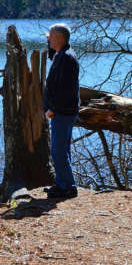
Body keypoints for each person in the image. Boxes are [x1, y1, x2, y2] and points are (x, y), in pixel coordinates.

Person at [43, 23, 80, 199]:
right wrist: (48, 44)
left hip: (63, 112)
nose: (48, 38)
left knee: (58, 150)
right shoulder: (62, 54)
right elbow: (53, 58)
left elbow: (65, 90)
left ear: (59, 38)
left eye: (51, 36)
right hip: (64, 111)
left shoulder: (67, 58)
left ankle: (67, 187)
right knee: (62, 149)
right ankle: (63, 183)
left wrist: (52, 109)